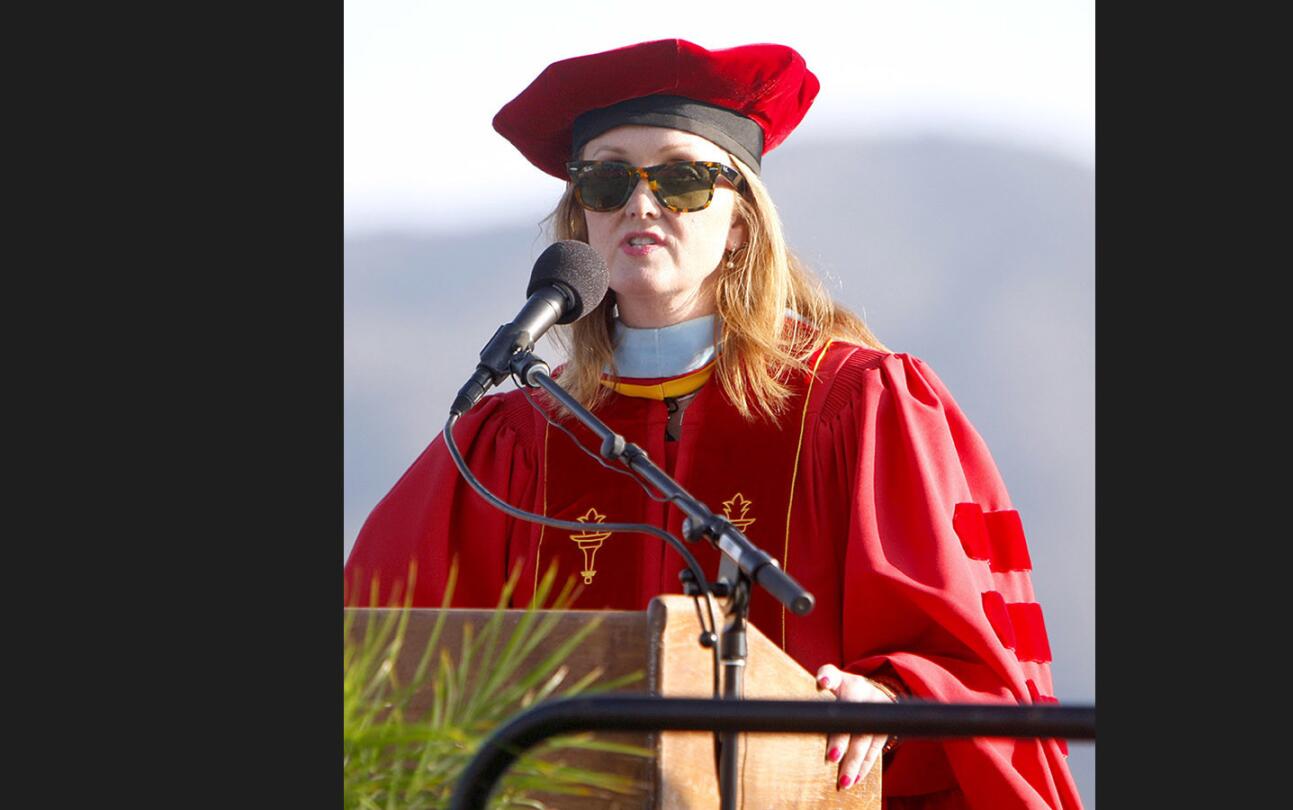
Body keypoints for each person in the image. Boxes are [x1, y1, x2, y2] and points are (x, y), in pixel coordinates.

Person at [346, 38, 1082, 809]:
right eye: (605, 180)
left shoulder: (859, 405)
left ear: (740, 224)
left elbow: (973, 666)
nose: (640, 203)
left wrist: (892, 702)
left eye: (683, 179)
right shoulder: (513, 438)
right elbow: (375, 665)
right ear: (580, 223)